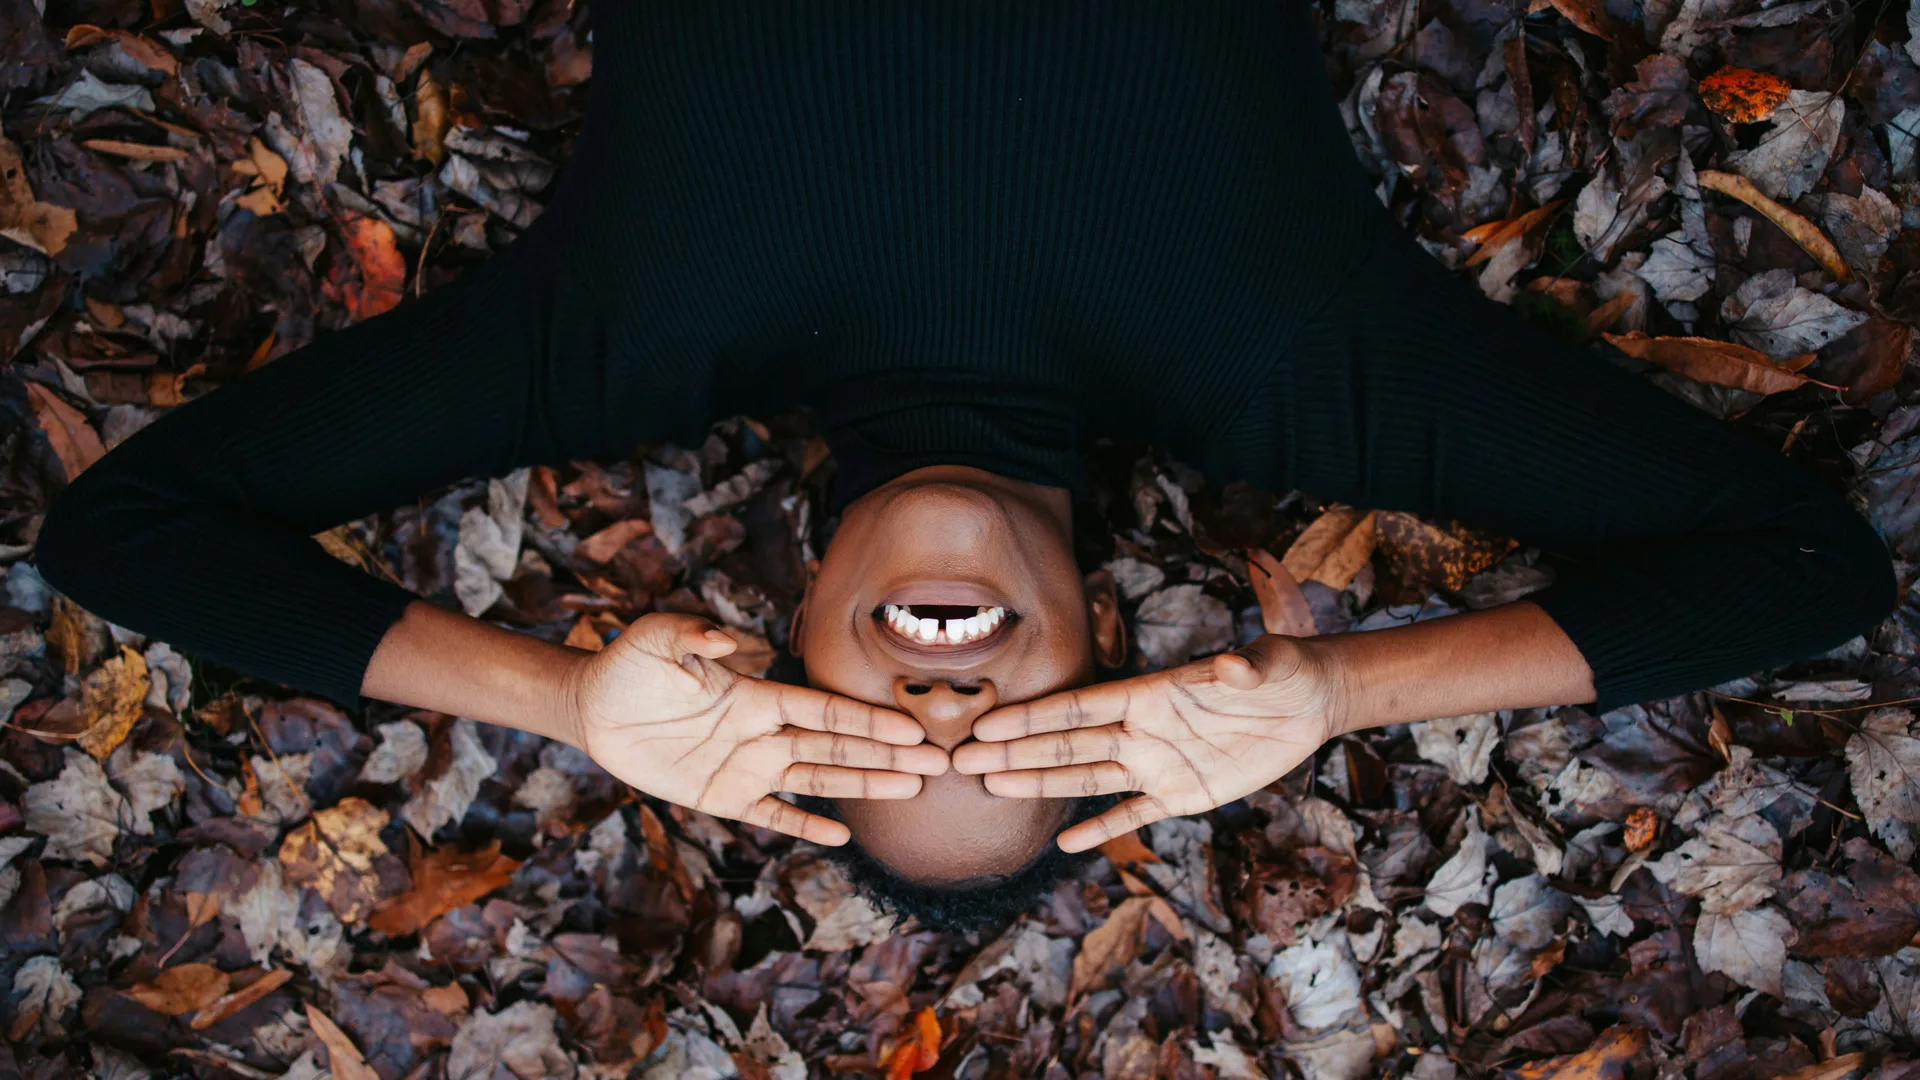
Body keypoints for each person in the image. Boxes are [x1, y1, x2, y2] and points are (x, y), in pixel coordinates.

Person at [35, 0, 1895, 933]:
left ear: (781, 647)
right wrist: (1333, 691)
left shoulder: (622, 335)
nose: (941, 684)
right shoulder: (1292, 365)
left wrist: (562, 707)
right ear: (1121, 648)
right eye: (1021, 740)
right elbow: (1807, 569)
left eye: (871, 731)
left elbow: (132, 530)